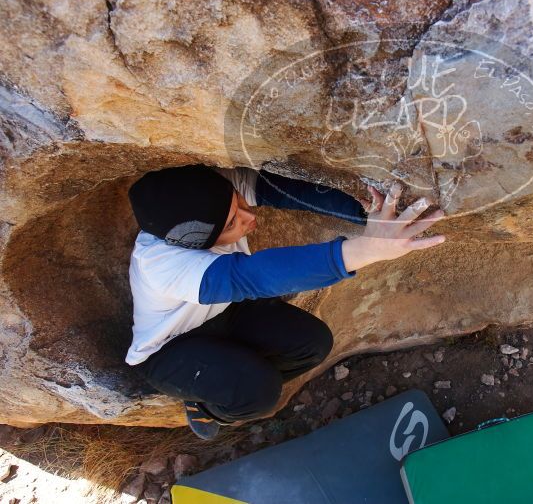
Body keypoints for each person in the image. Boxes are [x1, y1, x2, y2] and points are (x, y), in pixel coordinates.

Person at [126, 164, 446, 439]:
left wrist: (373, 218)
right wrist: (368, 249)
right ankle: (208, 405)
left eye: (238, 203)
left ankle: (231, 372)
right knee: (259, 392)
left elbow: (284, 191)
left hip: (225, 313)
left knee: (313, 343)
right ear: (196, 241)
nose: (248, 217)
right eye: (231, 225)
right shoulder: (160, 265)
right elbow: (253, 276)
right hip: (170, 350)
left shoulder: (207, 195)